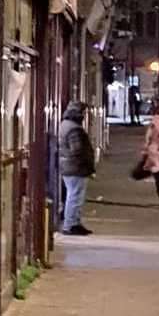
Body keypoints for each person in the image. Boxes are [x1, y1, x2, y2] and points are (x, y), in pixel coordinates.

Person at [58, 100, 97, 236]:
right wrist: (88, 165)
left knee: (73, 195)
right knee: (75, 196)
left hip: (69, 166)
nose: (84, 115)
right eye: (83, 112)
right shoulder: (74, 129)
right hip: (76, 168)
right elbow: (78, 150)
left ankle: (74, 222)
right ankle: (70, 224)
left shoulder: (65, 125)